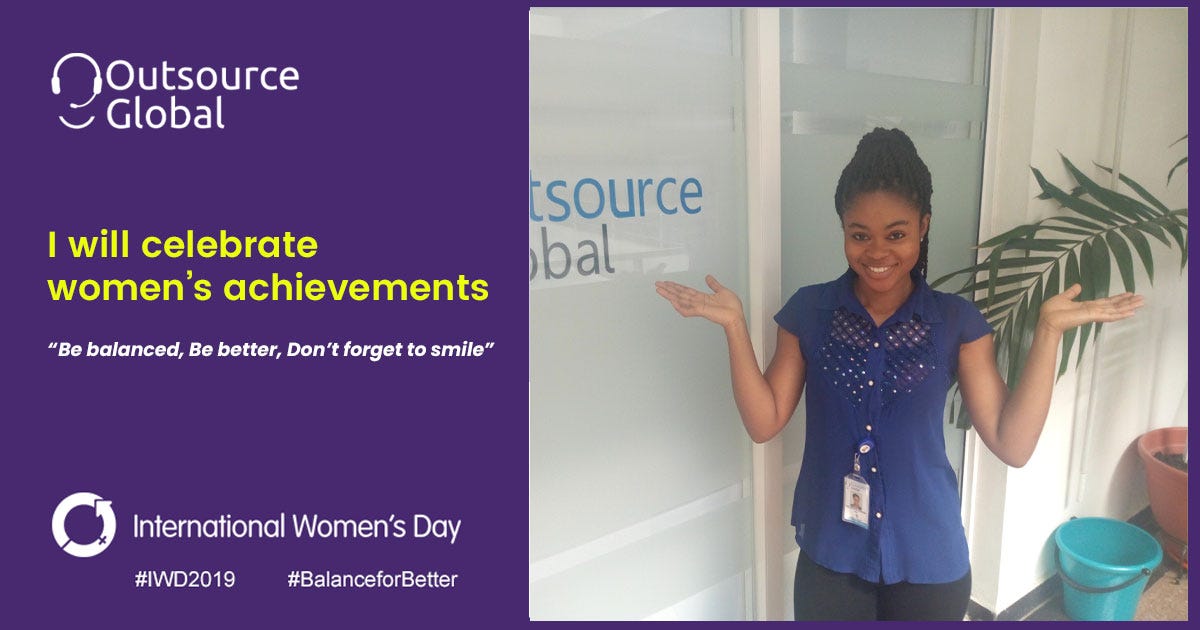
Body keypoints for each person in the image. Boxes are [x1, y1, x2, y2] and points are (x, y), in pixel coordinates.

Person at [654, 128, 1144, 621]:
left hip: (927, 555)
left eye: (896, 234)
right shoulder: (809, 312)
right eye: (859, 235)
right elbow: (765, 422)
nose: (877, 252)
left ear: (923, 226)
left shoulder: (955, 321)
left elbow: (1011, 444)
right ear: (843, 229)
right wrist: (735, 327)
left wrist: (1049, 332)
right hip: (832, 552)